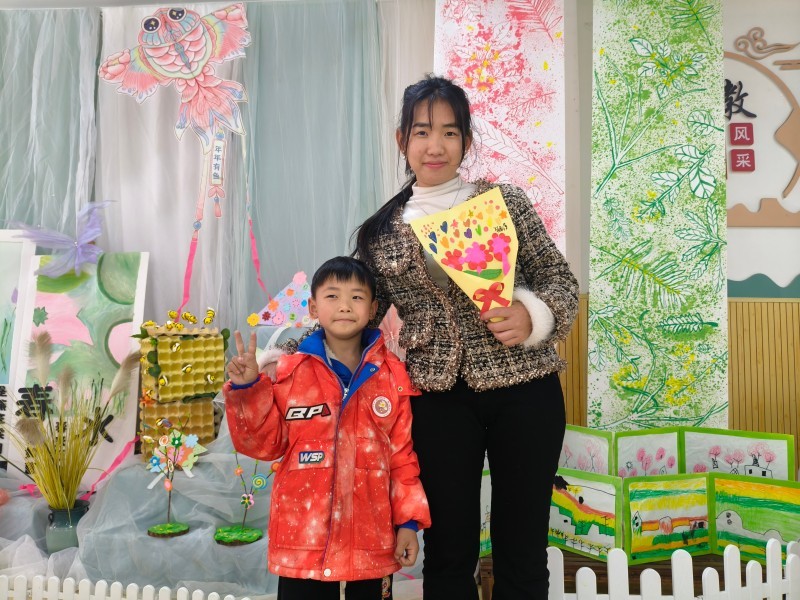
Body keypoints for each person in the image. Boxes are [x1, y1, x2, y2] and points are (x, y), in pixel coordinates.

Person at [353, 75, 579, 599]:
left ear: (467, 141)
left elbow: (558, 279)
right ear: (402, 140)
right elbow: (355, 314)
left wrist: (532, 315)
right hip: (437, 398)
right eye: (422, 131)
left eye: (450, 133)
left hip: (526, 389)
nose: (435, 145)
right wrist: (287, 354)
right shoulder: (381, 232)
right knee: (449, 552)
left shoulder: (504, 203)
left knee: (522, 549)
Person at [224, 256, 431, 600]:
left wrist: (408, 523)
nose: (345, 306)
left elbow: (402, 459)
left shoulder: (392, 376)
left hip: (371, 540)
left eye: (357, 297)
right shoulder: (289, 373)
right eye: (332, 296)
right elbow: (264, 445)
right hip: (302, 543)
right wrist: (247, 389)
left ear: (373, 308)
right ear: (313, 307)